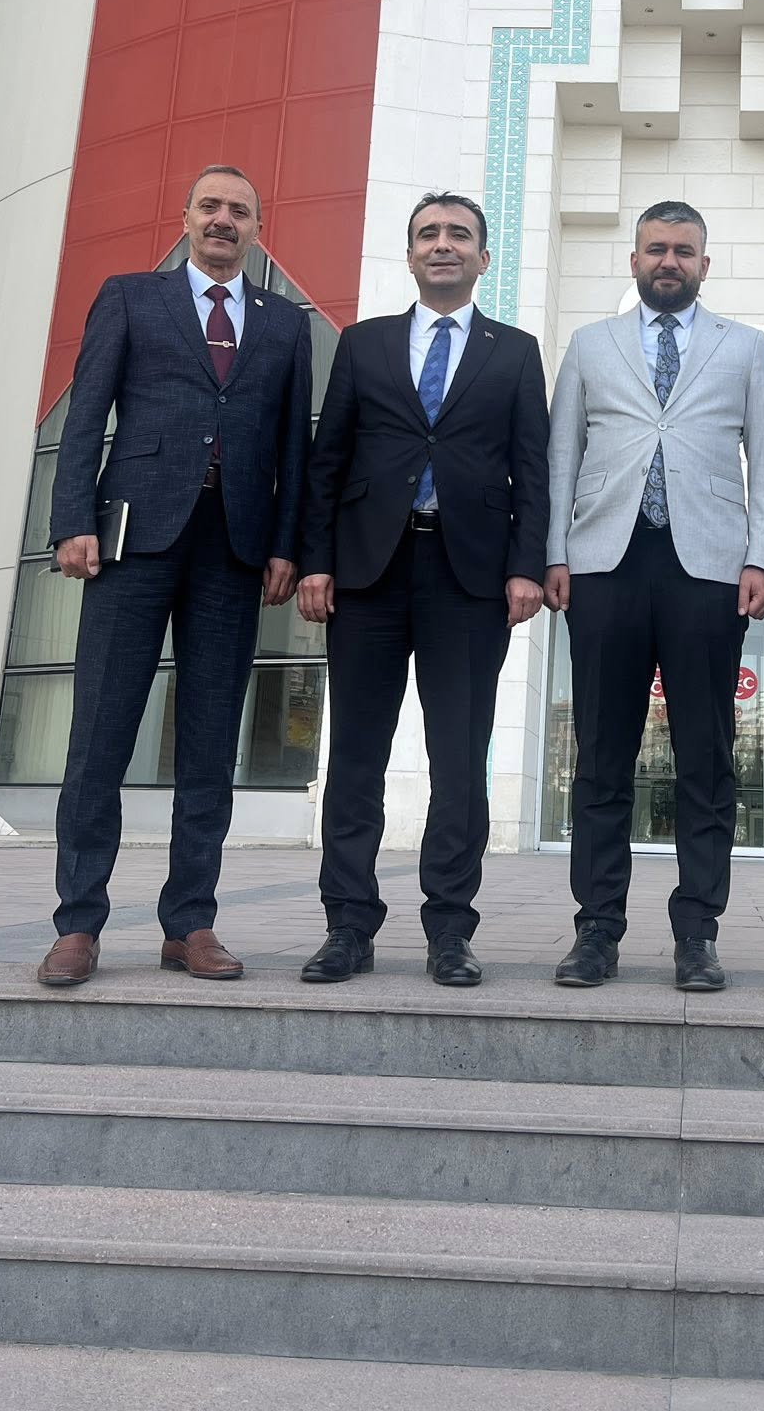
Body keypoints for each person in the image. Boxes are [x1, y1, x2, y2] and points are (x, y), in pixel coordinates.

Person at [38, 166, 311, 987]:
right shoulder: (131, 297)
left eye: (240, 211)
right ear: (186, 216)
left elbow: (293, 445)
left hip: (233, 548)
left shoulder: (286, 323)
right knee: (100, 735)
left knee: (209, 742)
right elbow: (87, 415)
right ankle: (78, 924)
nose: (224, 219)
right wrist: (72, 521)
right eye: (211, 206)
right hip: (133, 541)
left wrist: (287, 545)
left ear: (257, 227)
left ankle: (189, 922)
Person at [296, 193, 549, 987]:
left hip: (469, 577)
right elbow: (328, 459)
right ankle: (348, 926)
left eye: (459, 235)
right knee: (356, 757)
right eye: (428, 234)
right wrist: (315, 560)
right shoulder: (364, 344)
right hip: (367, 573)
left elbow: (533, 468)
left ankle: (450, 930)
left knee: (459, 760)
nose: (444, 245)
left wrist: (526, 565)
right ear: (409, 256)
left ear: (483, 258)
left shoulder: (515, 352)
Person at [545, 201, 764, 992]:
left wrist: (763, 557)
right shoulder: (591, 345)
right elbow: (560, 453)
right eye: (656, 248)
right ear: (635, 260)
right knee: (601, 757)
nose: (669, 261)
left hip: (708, 568)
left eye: (684, 250)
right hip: (604, 564)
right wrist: (555, 553)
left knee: (706, 757)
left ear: (704, 265)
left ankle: (697, 933)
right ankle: (597, 930)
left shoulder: (744, 348)